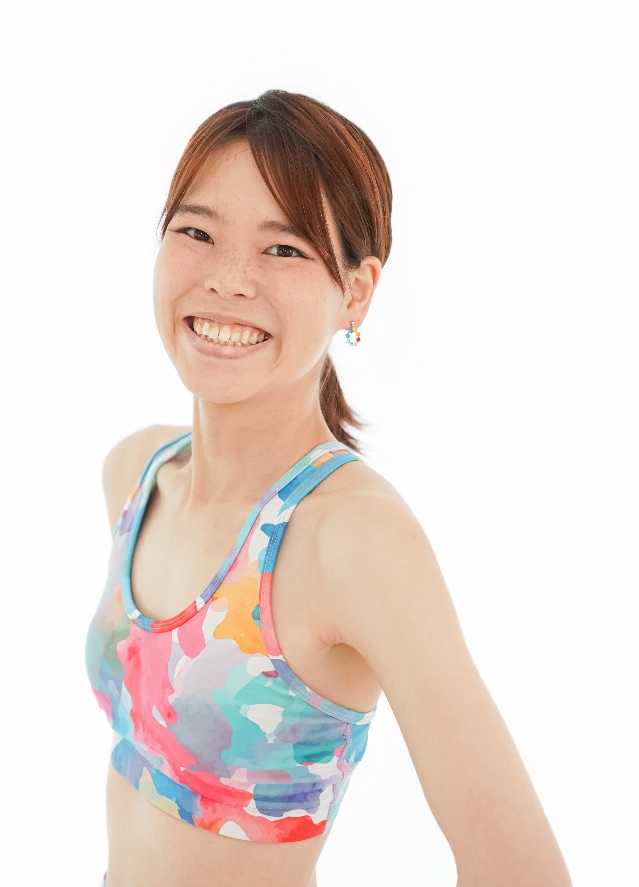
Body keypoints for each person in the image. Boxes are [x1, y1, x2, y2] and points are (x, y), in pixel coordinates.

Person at [85, 90, 572, 887]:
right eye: (197, 232)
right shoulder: (136, 474)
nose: (228, 280)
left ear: (357, 291)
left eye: (283, 249)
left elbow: (522, 870)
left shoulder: (353, 538)